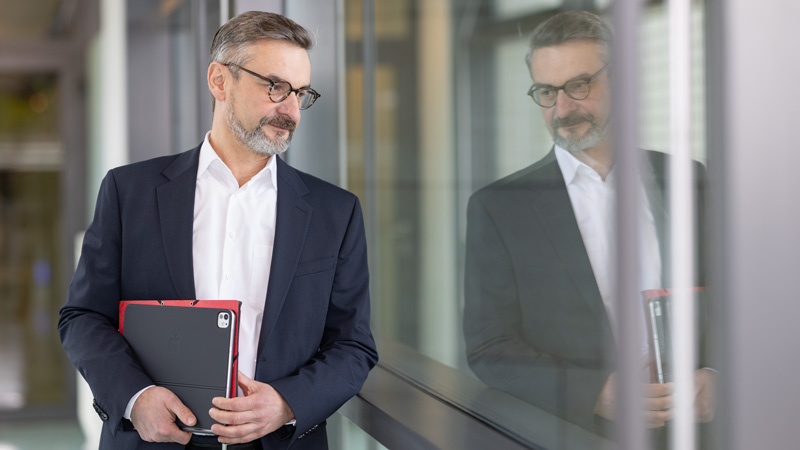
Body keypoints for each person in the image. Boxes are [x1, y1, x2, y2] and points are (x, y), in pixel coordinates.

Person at [59, 11, 377, 450]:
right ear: (219, 81)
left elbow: (353, 346)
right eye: (275, 86)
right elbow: (83, 317)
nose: (290, 111)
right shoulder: (128, 191)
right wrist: (136, 398)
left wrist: (287, 403)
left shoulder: (335, 212)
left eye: (300, 93)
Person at [463, 10, 714, 440]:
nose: (562, 108)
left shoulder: (688, 179)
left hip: (695, 432)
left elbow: (734, 298)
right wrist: (596, 392)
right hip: (579, 434)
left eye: (579, 85)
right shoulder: (500, 208)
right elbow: (490, 350)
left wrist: (716, 373)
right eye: (546, 90)